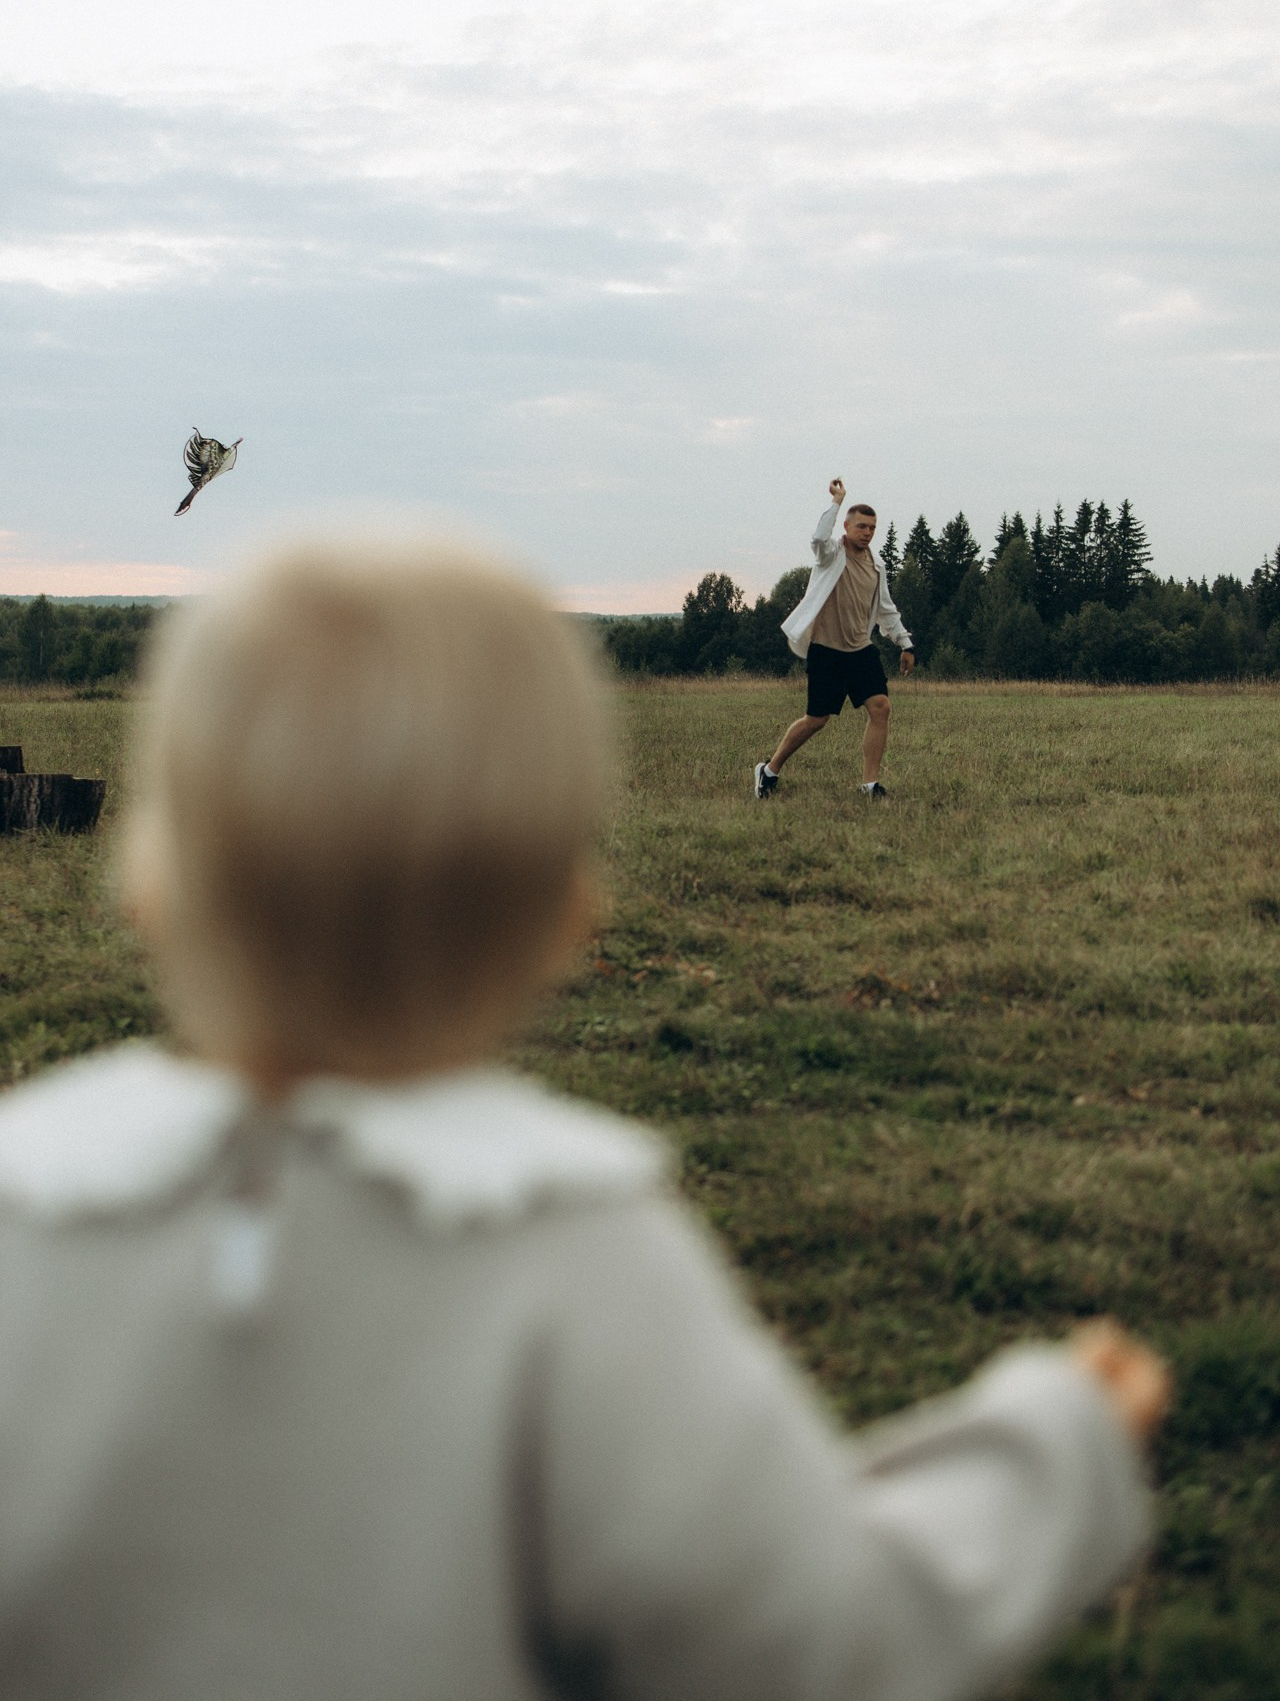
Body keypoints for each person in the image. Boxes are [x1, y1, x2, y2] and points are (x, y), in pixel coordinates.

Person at [0, 536, 1168, 1701]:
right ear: (566, 918)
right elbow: (815, 1643)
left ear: (149, 891)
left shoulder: (24, 1203)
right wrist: (1052, 1450)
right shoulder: (569, 1252)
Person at [755, 478, 915, 801]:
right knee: (816, 720)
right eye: (861, 527)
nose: (867, 533)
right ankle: (769, 770)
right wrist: (837, 501)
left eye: (872, 528)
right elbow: (817, 537)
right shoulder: (831, 554)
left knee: (881, 707)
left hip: (860, 650)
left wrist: (905, 643)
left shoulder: (876, 566)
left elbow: (886, 610)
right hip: (826, 650)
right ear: (847, 527)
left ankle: (870, 785)